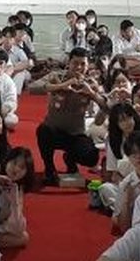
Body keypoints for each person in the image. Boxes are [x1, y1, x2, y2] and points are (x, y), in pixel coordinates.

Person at [35, 49, 104, 185]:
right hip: (53, 132)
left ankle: (70, 158)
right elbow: (32, 87)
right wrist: (60, 86)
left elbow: (107, 106)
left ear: (87, 65)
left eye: (82, 64)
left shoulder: (91, 84)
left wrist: (92, 95)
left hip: (75, 134)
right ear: (69, 63)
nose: (79, 67)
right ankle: (49, 169)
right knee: (42, 131)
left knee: (91, 157)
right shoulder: (57, 76)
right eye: (75, 63)